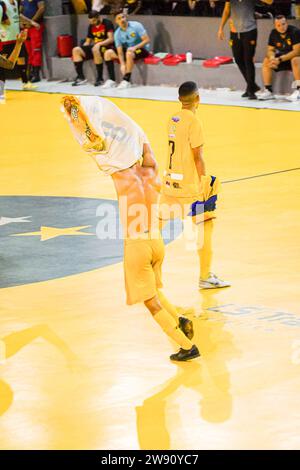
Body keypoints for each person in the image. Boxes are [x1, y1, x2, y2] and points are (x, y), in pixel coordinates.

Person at [61, 94, 200, 362]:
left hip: (136, 245)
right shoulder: (149, 173)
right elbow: (143, 146)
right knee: (154, 289)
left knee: (149, 301)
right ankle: (180, 320)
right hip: (157, 241)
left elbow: (97, 146)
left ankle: (185, 346)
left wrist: (88, 129)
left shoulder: (119, 175)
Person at [159, 81, 230, 290]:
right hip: (190, 189)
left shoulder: (173, 119)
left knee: (155, 229)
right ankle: (205, 276)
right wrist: (204, 182)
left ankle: (149, 275)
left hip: (170, 184)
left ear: (180, 99)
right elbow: (197, 156)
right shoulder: (194, 121)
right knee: (206, 225)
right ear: (197, 98)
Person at [218, 0, 273, 100]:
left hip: (249, 30)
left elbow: (270, 2)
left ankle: (251, 90)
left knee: (248, 60)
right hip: (235, 32)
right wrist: (221, 28)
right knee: (238, 60)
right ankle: (251, 86)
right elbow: (226, 10)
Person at [102, 10, 150, 89]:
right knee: (108, 53)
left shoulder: (136, 25)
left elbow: (147, 40)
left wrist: (135, 47)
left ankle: (126, 80)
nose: (122, 20)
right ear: (116, 21)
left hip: (142, 49)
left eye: (123, 17)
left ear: (126, 17)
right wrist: (122, 64)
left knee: (129, 53)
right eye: (119, 18)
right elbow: (120, 52)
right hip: (129, 50)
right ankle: (112, 80)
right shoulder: (117, 33)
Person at [258, 15, 300, 101]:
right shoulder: (273, 33)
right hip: (282, 59)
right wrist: (272, 58)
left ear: (287, 23)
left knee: (295, 60)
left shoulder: (295, 31)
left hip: (294, 58)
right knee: (267, 60)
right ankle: (268, 91)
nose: (282, 27)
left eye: (283, 24)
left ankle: (299, 90)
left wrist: (280, 59)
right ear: (275, 26)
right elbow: (270, 50)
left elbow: (297, 52)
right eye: (279, 25)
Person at [72, 9, 115, 87]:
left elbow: (111, 39)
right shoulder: (91, 25)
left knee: (95, 49)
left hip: (106, 47)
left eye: (94, 21)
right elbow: (88, 41)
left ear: (98, 17)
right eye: (91, 21)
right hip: (96, 47)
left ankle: (100, 78)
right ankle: (81, 77)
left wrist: (99, 44)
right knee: (76, 50)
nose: (93, 23)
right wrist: (83, 48)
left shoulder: (107, 23)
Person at [19, 1, 45, 83]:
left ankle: (36, 74)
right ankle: (30, 73)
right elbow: (19, 12)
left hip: (35, 27)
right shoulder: (23, 1)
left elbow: (42, 8)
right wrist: (22, 22)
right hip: (26, 27)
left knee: (35, 50)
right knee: (29, 51)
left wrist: (32, 22)